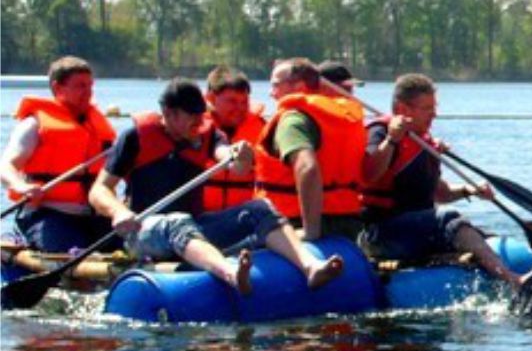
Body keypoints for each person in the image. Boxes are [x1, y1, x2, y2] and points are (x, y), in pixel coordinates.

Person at [87, 79, 343, 293]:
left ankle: (310, 266)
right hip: (144, 232)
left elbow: (233, 162)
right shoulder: (135, 137)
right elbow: (99, 190)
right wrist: (118, 212)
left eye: (201, 115)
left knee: (259, 208)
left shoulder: (208, 135)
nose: (199, 122)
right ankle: (230, 274)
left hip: (193, 228)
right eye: (191, 116)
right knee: (176, 221)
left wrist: (239, 155)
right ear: (169, 113)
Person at [360, 74, 531, 289]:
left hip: (418, 229)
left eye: (434, 107)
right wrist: (392, 139)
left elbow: (440, 193)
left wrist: (469, 190)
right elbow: (369, 174)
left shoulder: (423, 141)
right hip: (384, 232)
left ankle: (507, 273)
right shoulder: (380, 132)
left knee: (477, 233)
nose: (435, 114)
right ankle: (511, 279)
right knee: (449, 219)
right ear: (404, 109)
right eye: (427, 108)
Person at [2, 57, 118, 252]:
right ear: (58, 88)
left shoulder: (99, 125)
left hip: (95, 215)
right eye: (80, 86)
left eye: (90, 85)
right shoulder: (34, 125)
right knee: (67, 250)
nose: (88, 92)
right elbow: (6, 166)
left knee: (130, 248)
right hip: (48, 214)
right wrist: (20, 186)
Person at [255, 58, 367, 241]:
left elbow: (307, 168)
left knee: (227, 245)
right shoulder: (348, 120)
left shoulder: (293, 120)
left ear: (298, 86)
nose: (271, 93)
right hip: (348, 222)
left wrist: (310, 231)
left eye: (275, 86)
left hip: (295, 222)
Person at [200, 65, 267, 214]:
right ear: (211, 98)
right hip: (201, 216)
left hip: (245, 218)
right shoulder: (194, 127)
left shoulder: (263, 129)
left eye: (244, 102)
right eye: (232, 101)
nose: (240, 108)